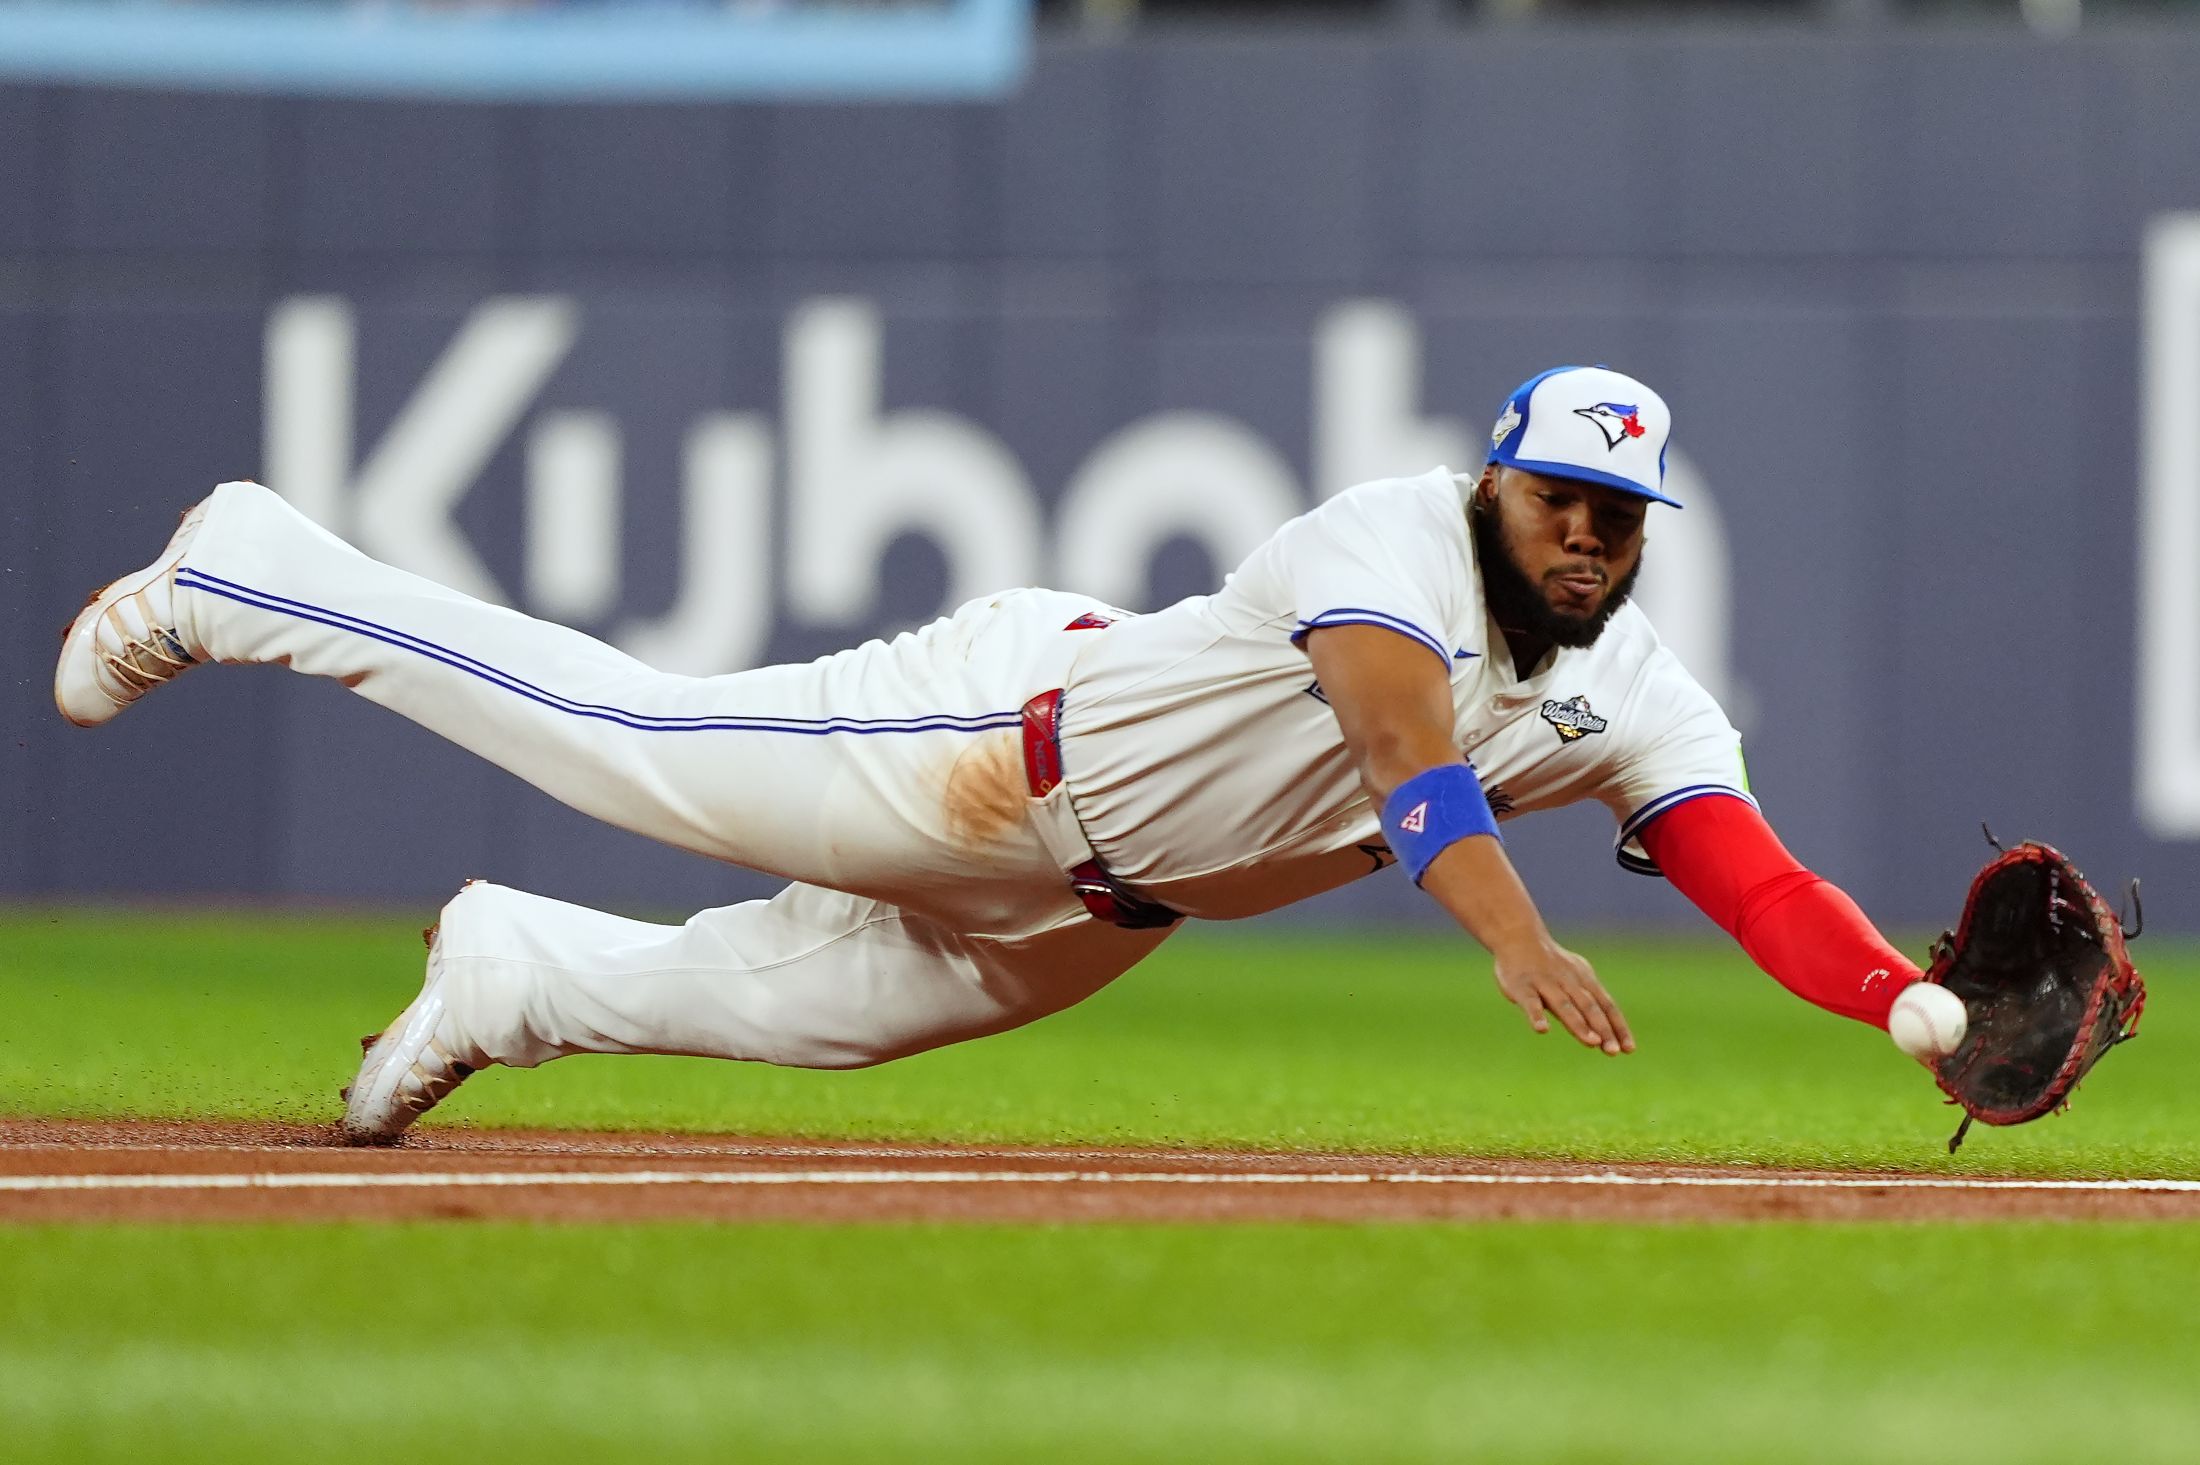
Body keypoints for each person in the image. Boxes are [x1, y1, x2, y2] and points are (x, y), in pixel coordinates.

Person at [55, 365, 1922, 1144]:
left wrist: (1910, 1009)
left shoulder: (1641, 686)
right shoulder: (1393, 542)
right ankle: (255, 569)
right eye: (1557, 496)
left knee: (808, 1014)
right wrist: (1512, 929)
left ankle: (517, 973)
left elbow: (1749, 871)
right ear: (1492, 477)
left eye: (1619, 513)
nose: (1584, 534)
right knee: (627, 738)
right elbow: (1399, 746)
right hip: (995, 746)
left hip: (1101, 908)